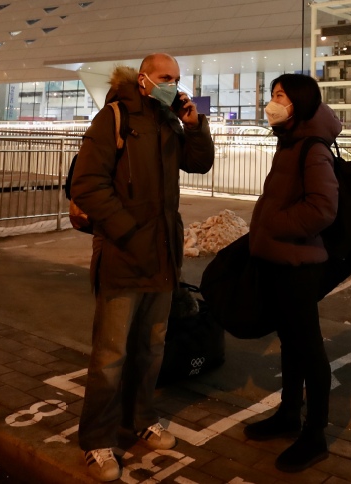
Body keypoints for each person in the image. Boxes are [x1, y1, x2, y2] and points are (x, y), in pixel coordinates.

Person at [69, 53, 214, 482]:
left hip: (163, 255)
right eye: (165, 77)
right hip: (124, 254)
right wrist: (128, 233)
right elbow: (87, 185)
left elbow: (199, 163)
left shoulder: (170, 120)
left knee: (151, 348)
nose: (173, 83)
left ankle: (140, 418)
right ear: (144, 78)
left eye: (178, 78)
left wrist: (195, 122)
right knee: (110, 354)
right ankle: (97, 440)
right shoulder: (113, 118)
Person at [242, 74, 339, 473]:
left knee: (309, 347)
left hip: (300, 264)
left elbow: (322, 208)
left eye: (280, 96)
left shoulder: (312, 148)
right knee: (290, 342)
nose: (272, 103)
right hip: (281, 260)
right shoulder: (290, 142)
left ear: (298, 103)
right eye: (272, 95)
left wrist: (274, 224)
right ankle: (288, 414)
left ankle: (314, 434)